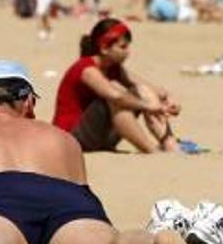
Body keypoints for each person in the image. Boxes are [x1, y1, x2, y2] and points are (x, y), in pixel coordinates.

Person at [0, 60, 212, 244]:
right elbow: (82, 196)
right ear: (28, 102)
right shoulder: (62, 138)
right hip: (67, 202)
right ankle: (154, 243)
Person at [52, 19, 182, 153]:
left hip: (98, 137)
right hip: (70, 138)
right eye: (123, 47)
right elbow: (116, 96)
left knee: (141, 90)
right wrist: (150, 106)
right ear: (104, 48)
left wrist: (167, 100)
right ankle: (151, 150)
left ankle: (170, 145)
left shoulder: (114, 68)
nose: (128, 52)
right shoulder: (86, 69)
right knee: (117, 93)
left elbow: (150, 88)